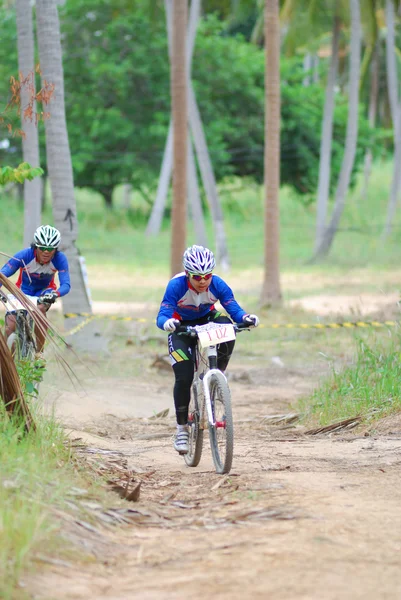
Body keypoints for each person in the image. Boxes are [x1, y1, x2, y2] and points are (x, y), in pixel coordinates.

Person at [156, 244, 259, 455]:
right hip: (180, 326)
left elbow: (234, 308)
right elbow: (162, 314)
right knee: (183, 377)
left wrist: (246, 318)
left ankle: (216, 375)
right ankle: (182, 429)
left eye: (207, 275)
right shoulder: (176, 286)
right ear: (187, 274)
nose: (203, 281)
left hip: (206, 319)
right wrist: (167, 323)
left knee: (227, 325)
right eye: (196, 277)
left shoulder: (218, 284)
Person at [0, 224, 71, 356]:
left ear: (56, 249)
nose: (46, 252)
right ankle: (7, 360)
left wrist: (55, 294)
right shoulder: (24, 255)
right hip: (22, 292)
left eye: (50, 249)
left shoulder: (60, 259)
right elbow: (3, 274)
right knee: (10, 326)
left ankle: (39, 353)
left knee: (41, 308)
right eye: (42, 248)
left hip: (45, 292)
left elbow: (66, 284)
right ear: (36, 246)